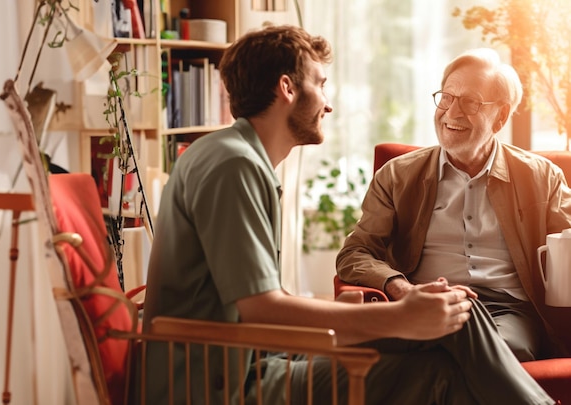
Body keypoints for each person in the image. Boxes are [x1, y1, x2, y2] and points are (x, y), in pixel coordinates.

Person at [142, 26, 554, 404]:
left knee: (442, 350)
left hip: (247, 359)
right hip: (221, 382)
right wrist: (397, 312)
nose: (329, 103)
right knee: (453, 329)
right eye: (320, 84)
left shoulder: (234, 156)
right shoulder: (235, 165)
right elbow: (262, 308)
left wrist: (398, 316)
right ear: (287, 88)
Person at [336, 47, 571, 363]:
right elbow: (355, 253)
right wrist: (400, 287)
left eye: (470, 102)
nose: (451, 113)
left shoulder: (541, 176)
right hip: (426, 304)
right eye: (446, 97)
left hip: (505, 310)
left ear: (501, 116)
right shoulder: (398, 175)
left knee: (500, 353)